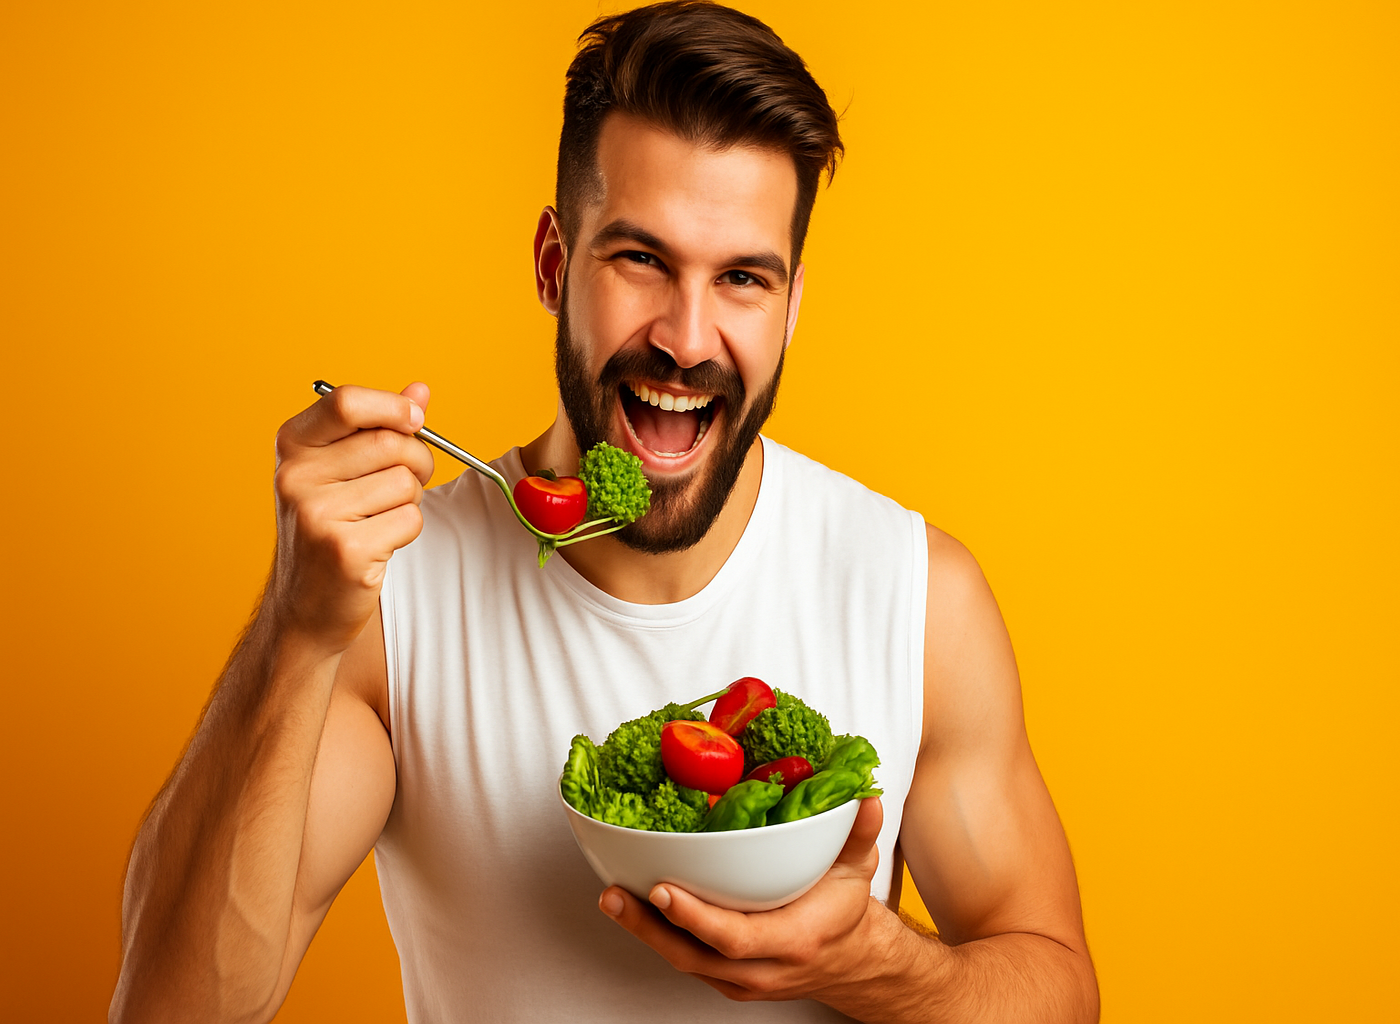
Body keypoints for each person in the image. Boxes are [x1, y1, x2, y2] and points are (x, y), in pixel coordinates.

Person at [111, 3, 1098, 1022]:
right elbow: (171, 1009)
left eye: (742, 278)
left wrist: (871, 966)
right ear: (553, 263)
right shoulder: (393, 603)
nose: (685, 336)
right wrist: (295, 627)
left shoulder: (914, 596)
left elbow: (1056, 991)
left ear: (791, 303)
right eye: (640, 259)